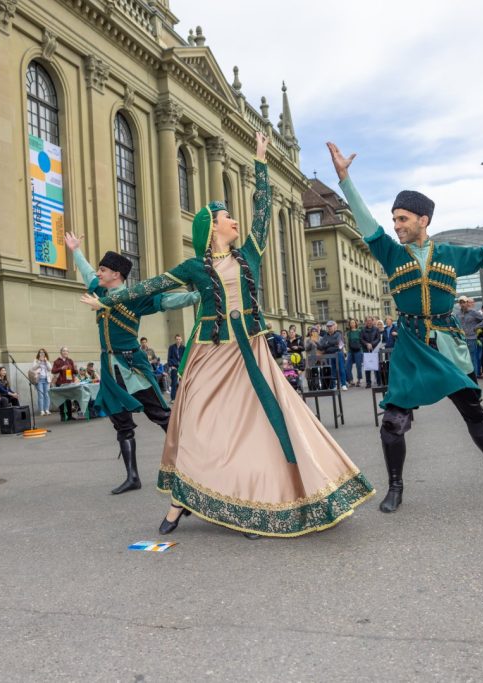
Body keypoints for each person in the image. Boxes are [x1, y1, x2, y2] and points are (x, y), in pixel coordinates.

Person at [82, 132, 373, 537]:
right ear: (212, 229)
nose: (234, 221)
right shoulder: (193, 267)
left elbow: (263, 211)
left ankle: (252, 503)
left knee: (259, 429)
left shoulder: (249, 252)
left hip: (248, 351)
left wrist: (260, 161)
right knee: (197, 427)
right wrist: (107, 303)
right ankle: (181, 500)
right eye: (225, 218)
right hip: (207, 355)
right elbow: (146, 288)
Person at [328, 140, 483, 513]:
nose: (396, 225)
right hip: (412, 346)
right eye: (394, 218)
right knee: (393, 422)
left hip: (447, 343)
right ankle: (395, 487)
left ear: (423, 220)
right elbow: (367, 221)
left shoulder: (450, 254)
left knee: (474, 410)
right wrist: (344, 178)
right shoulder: (390, 252)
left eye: (402, 219)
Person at [66, 233, 199, 495]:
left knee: (160, 415)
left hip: (132, 366)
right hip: (109, 367)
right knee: (121, 423)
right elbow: (86, 272)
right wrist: (75, 250)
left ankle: (191, 467)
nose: (99, 273)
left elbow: (168, 301)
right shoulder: (100, 291)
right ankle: (132, 477)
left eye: (103, 270)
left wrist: (197, 296)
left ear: (116, 274)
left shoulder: (135, 296)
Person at [458, 297, 483, 380]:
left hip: (471, 338)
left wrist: (476, 327)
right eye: (461, 302)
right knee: (463, 358)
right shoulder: (457, 314)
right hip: (461, 339)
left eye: (464, 302)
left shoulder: (473, 312)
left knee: (472, 358)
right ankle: (466, 377)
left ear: (467, 303)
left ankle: (473, 378)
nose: (462, 304)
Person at [318, 320, 349, 390]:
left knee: (341, 369)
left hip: (338, 353)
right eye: (328, 326)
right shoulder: (325, 336)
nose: (329, 328)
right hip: (329, 354)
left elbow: (338, 343)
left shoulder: (338, 334)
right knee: (332, 370)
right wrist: (332, 343)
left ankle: (343, 384)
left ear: (334, 327)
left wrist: (327, 343)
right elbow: (321, 346)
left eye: (330, 326)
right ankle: (334, 385)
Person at [52, 347, 77, 421]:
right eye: (64, 351)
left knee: (68, 399)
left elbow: (74, 372)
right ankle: (62, 416)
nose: (65, 352)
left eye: (66, 351)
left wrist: (75, 369)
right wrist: (61, 368)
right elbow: (53, 371)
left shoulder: (70, 361)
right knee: (61, 400)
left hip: (69, 382)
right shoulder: (57, 361)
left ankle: (69, 415)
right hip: (60, 383)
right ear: (61, 352)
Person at [360, 316, 383, 388]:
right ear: (366, 322)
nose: (369, 322)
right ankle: (368, 383)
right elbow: (361, 339)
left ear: (372, 321)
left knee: (376, 366)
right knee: (367, 367)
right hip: (366, 350)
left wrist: (371, 344)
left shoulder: (376, 329)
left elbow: (378, 338)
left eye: (370, 321)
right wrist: (367, 344)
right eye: (367, 321)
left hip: (375, 349)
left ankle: (379, 382)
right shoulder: (363, 330)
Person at [31, 349, 52, 416]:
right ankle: (42, 410)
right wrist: (39, 362)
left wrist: (46, 362)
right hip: (39, 379)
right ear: (38, 354)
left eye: (43, 352)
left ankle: (47, 409)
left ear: (45, 354)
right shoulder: (36, 360)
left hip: (46, 379)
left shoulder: (47, 361)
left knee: (47, 395)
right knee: (41, 395)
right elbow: (33, 368)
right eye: (40, 352)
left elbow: (50, 369)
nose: (42, 354)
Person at [345, 318, 364, 387]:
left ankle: (359, 379)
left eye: (353, 322)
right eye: (351, 323)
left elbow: (362, 340)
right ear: (349, 324)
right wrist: (346, 351)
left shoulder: (359, 331)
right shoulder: (348, 333)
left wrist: (362, 349)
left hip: (358, 350)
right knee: (347, 366)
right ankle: (351, 380)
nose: (352, 324)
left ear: (356, 324)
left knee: (358, 366)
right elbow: (347, 342)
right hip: (350, 351)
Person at [166, 334, 185, 400]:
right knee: (174, 383)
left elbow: (185, 358)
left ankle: (182, 398)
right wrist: (171, 366)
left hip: (182, 368)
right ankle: (173, 398)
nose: (178, 340)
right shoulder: (171, 347)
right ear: (175, 340)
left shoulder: (183, 348)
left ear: (181, 339)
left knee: (182, 383)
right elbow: (169, 358)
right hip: (174, 367)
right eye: (177, 339)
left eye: (179, 339)